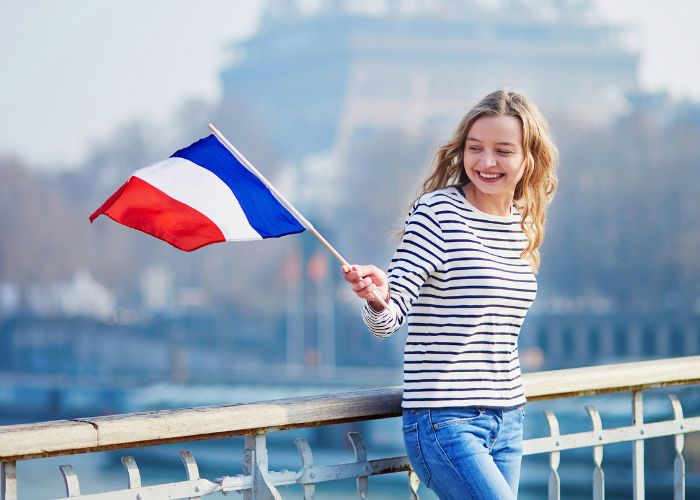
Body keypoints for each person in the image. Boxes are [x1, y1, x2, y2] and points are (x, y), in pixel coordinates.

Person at [341, 89, 558, 499]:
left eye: (503, 150)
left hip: (509, 417)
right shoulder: (437, 213)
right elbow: (389, 318)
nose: (486, 162)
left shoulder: (523, 225)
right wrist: (377, 295)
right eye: (475, 148)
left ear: (528, 158)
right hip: (445, 420)